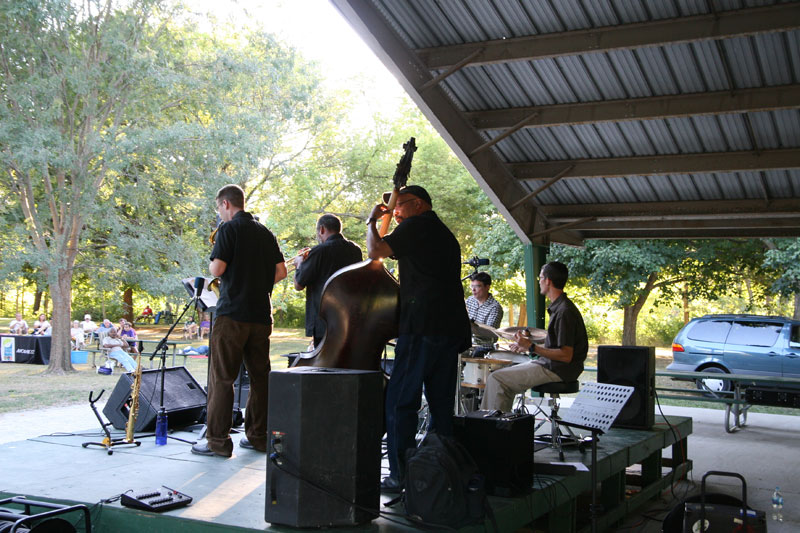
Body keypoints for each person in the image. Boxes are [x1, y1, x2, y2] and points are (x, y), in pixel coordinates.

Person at [366, 184, 471, 492]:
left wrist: (372, 222)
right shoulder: (442, 232)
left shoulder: (418, 226)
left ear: (419, 205)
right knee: (440, 405)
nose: (395, 213)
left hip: (423, 327)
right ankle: (440, 470)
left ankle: (400, 474)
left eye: (399, 207)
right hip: (449, 328)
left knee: (400, 401)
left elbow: (376, 252)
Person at [191, 184, 287, 458]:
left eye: (218, 208)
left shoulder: (228, 230)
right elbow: (280, 272)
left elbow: (217, 268)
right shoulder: (265, 232)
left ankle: (217, 442)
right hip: (260, 315)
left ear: (225, 204)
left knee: (222, 379)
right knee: (260, 379)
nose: (219, 213)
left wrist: (220, 271)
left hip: (232, 314)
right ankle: (257, 437)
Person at [481, 261, 588, 413]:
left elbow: (565, 355)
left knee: (497, 379)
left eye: (540, 278)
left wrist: (532, 347)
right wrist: (527, 346)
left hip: (557, 369)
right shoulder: (561, 307)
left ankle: (492, 431)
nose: (539, 282)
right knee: (502, 378)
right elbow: (558, 348)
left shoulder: (564, 312)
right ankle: (502, 425)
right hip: (553, 365)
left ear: (548, 281)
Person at [293, 214, 363, 348]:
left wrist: (299, 265)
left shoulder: (319, 251)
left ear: (322, 230)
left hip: (323, 321)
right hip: (348, 318)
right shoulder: (355, 250)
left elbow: (298, 284)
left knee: (324, 365)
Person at [466, 271, 504, 347]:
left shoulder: (495, 307)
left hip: (484, 348)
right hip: (468, 344)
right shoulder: (470, 300)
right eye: (472, 286)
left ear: (487, 287)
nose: (473, 289)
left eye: (477, 286)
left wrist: (471, 326)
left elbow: (489, 334)